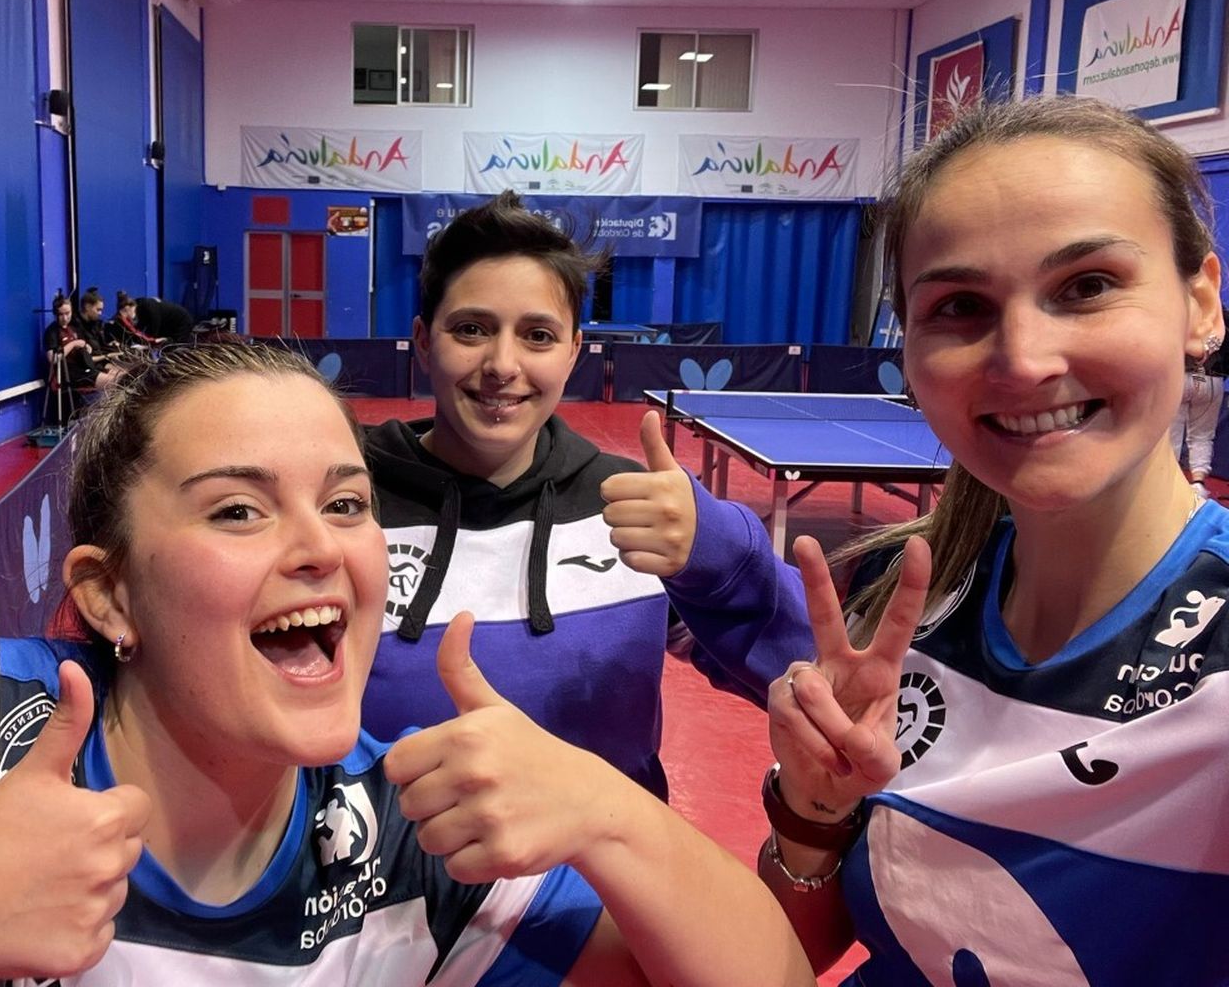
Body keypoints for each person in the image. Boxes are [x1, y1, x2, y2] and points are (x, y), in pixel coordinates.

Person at [0, 342, 816, 987]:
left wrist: (614, 816)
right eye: (239, 512)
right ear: (107, 594)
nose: (318, 549)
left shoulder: (401, 830)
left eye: (346, 504)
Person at [756, 96, 1229, 984]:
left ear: (1201, 303)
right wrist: (815, 809)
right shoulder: (910, 596)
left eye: (1086, 286)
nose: (1023, 358)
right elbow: (804, 948)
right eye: (961, 305)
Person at [363, 191, 812, 798]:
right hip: (387, 888)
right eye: (471, 329)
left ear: (575, 350)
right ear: (422, 340)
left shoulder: (636, 510)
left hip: (602, 887)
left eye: (538, 336)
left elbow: (806, 679)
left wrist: (719, 550)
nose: (502, 364)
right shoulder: (345, 505)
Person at [1168, 308, 1227, 498]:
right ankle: (1198, 484)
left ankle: (1169, 482)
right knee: (1202, 436)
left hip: (1181, 377)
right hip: (1210, 379)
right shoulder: (1221, 317)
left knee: (1171, 434)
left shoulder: (1178, 309)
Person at [43, 293, 121, 393]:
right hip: (69, 373)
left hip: (84, 366)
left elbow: (84, 346)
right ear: (55, 314)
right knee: (114, 382)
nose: (65, 318)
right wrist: (73, 344)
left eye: (67, 313)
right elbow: (52, 359)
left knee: (121, 375)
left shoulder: (73, 328)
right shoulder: (52, 332)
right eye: (61, 314)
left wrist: (86, 347)